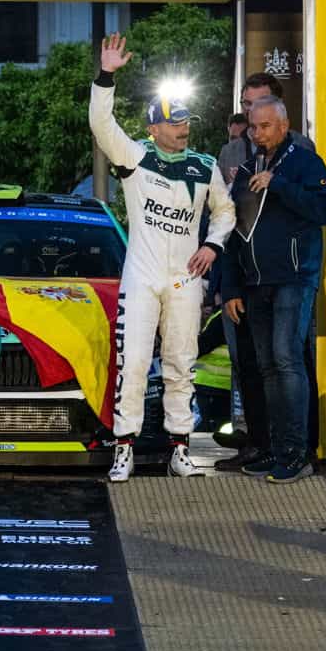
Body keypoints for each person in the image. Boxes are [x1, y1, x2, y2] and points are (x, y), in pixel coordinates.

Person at [88, 34, 235, 482]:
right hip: (143, 276)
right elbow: (100, 124)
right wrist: (106, 75)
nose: (182, 128)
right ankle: (124, 448)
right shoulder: (134, 156)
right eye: (173, 123)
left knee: (180, 364)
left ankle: (180, 448)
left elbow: (225, 211)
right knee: (133, 363)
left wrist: (212, 245)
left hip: (184, 279)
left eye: (185, 120)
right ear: (153, 129)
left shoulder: (205, 165)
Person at [221, 95, 326, 484]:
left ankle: (296, 451)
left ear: (283, 126)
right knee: (268, 366)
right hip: (254, 283)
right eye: (253, 127)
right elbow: (232, 231)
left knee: (287, 361)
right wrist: (232, 285)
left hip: (293, 278)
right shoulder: (246, 168)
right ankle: (274, 448)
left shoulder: (305, 162)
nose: (257, 133)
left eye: (265, 126)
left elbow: (325, 212)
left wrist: (280, 183)